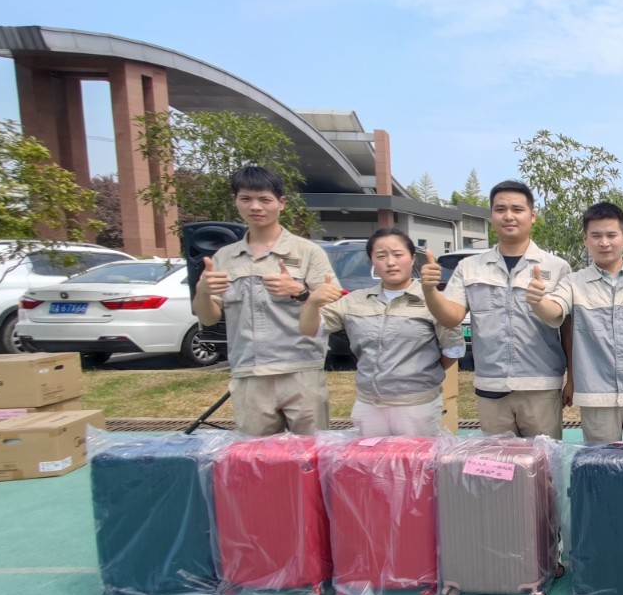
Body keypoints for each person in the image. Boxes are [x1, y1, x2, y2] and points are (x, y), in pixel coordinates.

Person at [420, 180, 573, 439]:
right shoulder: (470, 267)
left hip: (541, 385)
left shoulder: (557, 267)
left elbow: (568, 331)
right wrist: (430, 291)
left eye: (517, 209)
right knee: (498, 461)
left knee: (545, 460)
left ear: (532, 216)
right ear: (491, 216)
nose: (509, 216)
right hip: (491, 385)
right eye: (500, 209)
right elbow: (451, 317)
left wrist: (573, 379)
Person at [194, 166, 336, 437]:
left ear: (281, 203)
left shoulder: (308, 252)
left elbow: (331, 310)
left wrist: (299, 291)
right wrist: (202, 292)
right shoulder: (224, 257)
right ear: (235, 201)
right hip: (249, 372)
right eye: (246, 199)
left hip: (301, 370)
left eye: (264, 199)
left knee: (312, 454)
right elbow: (208, 317)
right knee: (257, 457)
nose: (255, 207)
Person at [298, 228, 465, 437]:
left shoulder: (431, 300)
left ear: (412, 258)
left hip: (416, 405)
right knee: (371, 456)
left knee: (414, 457)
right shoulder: (355, 301)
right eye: (381, 256)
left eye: (398, 254)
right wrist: (312, 302)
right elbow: (309, 329)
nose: (390, 262)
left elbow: (452, 350)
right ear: (372, 262)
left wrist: (422, 372)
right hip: (369, 403)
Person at [528, 202, 623, 443]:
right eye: (596, 236)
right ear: (586, 240)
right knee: (602, 462)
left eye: (611, 235)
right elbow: (554, 311)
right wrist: (539, 301)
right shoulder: (574, 282)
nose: (604, 242)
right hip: (596, 397)